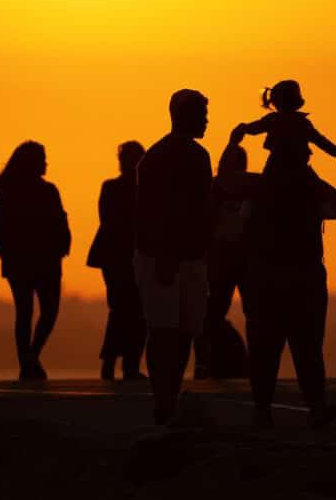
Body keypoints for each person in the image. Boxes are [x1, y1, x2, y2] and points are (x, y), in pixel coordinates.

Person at [220, 135, 336, 428]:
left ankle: (264, 410)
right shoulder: (310, 188)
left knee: (265, 348)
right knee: (305, 347)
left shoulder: (257, 187)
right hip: (300, 280)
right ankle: (311, 407)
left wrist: (233, 144)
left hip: (268, 280)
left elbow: (225, 181)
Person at [134, 89, 212, 424]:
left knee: (183, 330)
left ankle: (169, 395)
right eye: (201, 113)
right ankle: (162, 398)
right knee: (165, 329)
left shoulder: (197, 155)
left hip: (191, 256)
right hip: (162, 256)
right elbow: (154, 212)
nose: (207, 120)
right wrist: (165, 256)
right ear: (182, 115)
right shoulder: (161, 157)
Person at [0, 141, 71, 381]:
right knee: (27, 312)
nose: (46, 163)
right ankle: (28, 361)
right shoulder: (11, 192)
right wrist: (8, 257)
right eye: (42, 158)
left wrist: (62, 247)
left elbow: (60, 222)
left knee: (46, 311)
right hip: (25, 262)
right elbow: (1, 231)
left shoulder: (49, 190)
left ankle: (30, 357)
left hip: (44, 261)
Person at [87, 141, 147, 381]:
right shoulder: (143, 189)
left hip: (115, 256)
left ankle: (115, 362)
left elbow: (107, 220)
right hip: (125, 256)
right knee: (133, 311)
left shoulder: (112, 187)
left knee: (123, 310)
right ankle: (126, 364)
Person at [194, 144, 248, 379]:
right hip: (220, 258)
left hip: (243, 257)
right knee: (212, 313)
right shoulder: (214, 189)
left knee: (252, 314)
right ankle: (204, 362)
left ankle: (209, 362)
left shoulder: (250, 188)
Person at [234, 80, 336, 175]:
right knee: (331, 196)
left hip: (276, 171)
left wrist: (242, 128)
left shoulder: (273, 120)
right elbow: (322, 142)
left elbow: (254, 129)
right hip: (299, 172)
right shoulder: (302, 123)